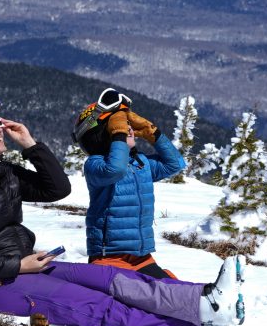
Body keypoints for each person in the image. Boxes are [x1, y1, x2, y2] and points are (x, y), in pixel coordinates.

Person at [0, 91, 245, 326]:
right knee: (97, 306)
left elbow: (56, 188)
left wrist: (30, 145)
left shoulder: (2, 173)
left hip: (27, 265)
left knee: (114, 280)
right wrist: (17, 266)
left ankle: (205, 302)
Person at [72, 88, 186, 279]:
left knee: (171, 291)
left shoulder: (140, 163)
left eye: (127, 125)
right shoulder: (95, 164)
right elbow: (115, 170)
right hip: (108, 256)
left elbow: (174, 164)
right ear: (104, 134)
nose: (128, 129)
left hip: (142, 257)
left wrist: (153, 133)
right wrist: (119, 136)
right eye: (120, 125)